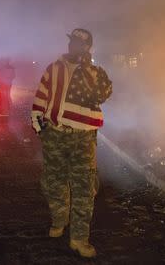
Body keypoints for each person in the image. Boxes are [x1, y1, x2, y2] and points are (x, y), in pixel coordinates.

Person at [31, 28, 112, 258]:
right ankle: (59, 219)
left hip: (83, 138)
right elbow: (40, 98)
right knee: (53, 182)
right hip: (55, 135)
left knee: (84, 188)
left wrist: (86, 68)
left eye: (80, 44)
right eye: (72, 42)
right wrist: (40, 128)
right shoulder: (53, 68)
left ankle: (78, 239)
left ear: (88, 48)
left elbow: (103, 94)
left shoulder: (95, 73)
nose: (74, 47)